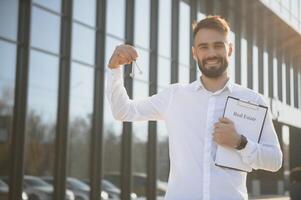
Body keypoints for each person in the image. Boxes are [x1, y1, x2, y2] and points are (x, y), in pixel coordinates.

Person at [106, 15, 282, 200]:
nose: (211, 53)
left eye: (218, 45)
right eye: (203, 47)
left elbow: (275, 161)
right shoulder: (174, 96)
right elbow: (122, 111)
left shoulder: (252, 100)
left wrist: (240, 143)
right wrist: (114, 69)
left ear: (230, 49)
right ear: (194, 53)